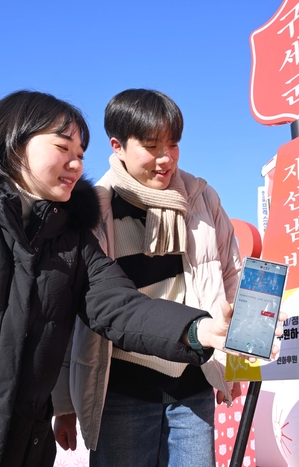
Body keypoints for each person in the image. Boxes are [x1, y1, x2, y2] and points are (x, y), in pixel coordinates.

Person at [0, 90, 247, 467]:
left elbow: (119, 307)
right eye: (63, 148)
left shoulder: (71, 239)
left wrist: (197, 331)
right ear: (13, 143)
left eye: (80, 153)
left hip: (22, 446)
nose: (76, 164)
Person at [52, 89, 242, 467]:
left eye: (173, 144)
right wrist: (64, 401)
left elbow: (231, 276)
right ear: (118, 145)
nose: (166, 158)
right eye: (152, 146)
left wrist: (231, 367)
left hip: (194, 382)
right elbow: (67, 309)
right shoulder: (94, 208)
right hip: (120, 391)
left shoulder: (202, 198)